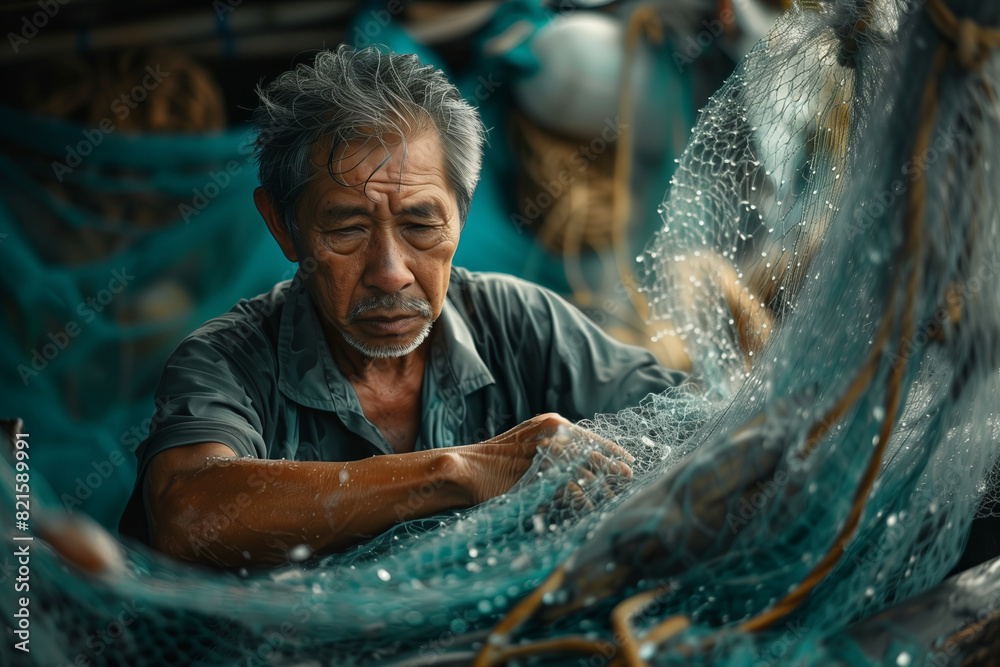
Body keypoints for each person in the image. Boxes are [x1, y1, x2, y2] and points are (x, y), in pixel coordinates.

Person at [117, 45, 685, 567]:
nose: (390, 272)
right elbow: (188, 514)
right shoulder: (227, 361)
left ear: (461, 217)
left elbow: (688, 424)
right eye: (346, 228)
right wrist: (458, 471)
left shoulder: (519, 323)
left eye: (420, 225)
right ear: (283, 227)